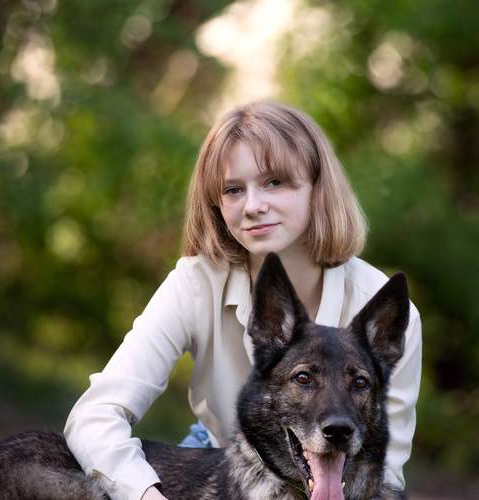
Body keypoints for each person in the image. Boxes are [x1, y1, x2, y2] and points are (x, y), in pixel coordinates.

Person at [64, 101, 422, 500]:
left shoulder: (384, 308)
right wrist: (146, 496)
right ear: (216, 204)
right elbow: (96, 416)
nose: (253, 206)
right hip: (217, 464)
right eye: (234, 189)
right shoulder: (195, 284)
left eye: (275, 182)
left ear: (317, 188)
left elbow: (384, 471)